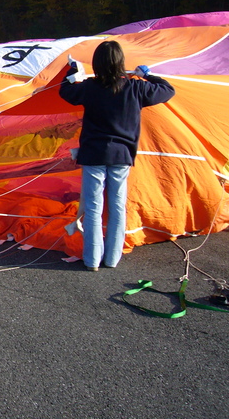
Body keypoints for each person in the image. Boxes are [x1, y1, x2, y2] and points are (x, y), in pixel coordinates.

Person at [59, 40, 175, 272]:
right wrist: (148, 75)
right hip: (121, 155)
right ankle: (112, 258)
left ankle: (92, 260)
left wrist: (72, 71)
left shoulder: (89, 87)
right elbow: (168, 90)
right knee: (117, 206)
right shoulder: (136, 88)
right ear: (121, 62)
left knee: (93, 208)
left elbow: (65, 91)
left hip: (94, 154)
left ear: (97, 63)